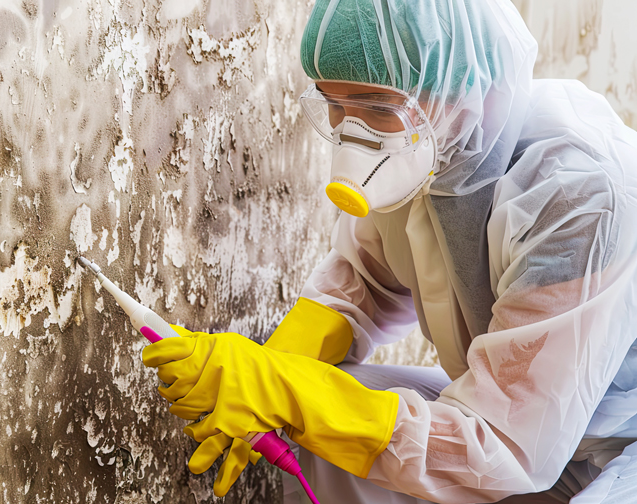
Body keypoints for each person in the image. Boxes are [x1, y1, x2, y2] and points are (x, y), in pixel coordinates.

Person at [141, 0, 637, 502]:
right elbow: (363, 286)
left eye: (379, 108)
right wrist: (263, 376)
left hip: (616, 445)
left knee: (321, 407)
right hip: (527, 431)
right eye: (335, 106)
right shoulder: (432, 154)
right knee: (319, 415)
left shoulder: (577, 195)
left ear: (466, 90)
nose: (355, 136)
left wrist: (291, 392)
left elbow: (507, 445)